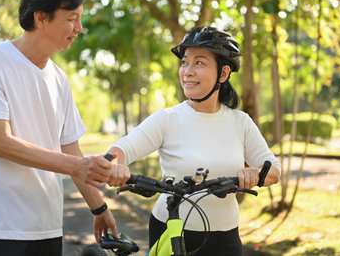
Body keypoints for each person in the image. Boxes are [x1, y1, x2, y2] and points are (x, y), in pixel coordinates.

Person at [0, 0, 119, 256]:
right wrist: (75, 166)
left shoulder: (59, 79)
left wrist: (99, 206)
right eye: (72, 18)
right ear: (41, 18)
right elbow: (0, 143)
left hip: (46, 228)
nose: (79, 28)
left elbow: (71, 149)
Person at [107, 27, 281, 255]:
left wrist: (256, 174)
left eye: (199, 63)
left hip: (226, 237)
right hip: (171, 229)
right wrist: (114, 164)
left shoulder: (241, 122)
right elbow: (121, 149)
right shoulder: (167, 119)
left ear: (223, 73)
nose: (187, 71)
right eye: (184, 62)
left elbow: (274, 170)